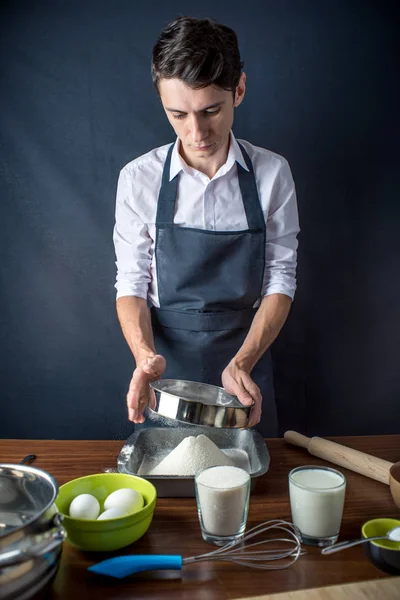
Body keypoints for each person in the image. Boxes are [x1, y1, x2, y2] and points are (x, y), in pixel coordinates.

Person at [113, 16, 299, 436]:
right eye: (177, 114)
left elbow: (280, 280)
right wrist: (145, 357)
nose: (196, 132)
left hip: (245, 363)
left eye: (211, 110)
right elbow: (131, 284)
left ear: (240, 90)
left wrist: (243, 362)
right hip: (166, 372)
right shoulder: (137, 179)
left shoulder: (273, 174)